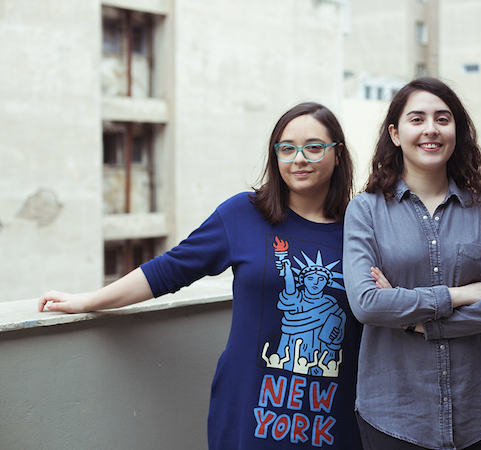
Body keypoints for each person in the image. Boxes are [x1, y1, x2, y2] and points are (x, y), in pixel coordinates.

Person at [38, 102, 364, 449]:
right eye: (287, 148)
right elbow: (170, 269)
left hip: (334, 417)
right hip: (249, 409)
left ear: (337, 154)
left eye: (313, 147)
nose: (299, 159)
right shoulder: (244, 214)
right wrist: (88, 300)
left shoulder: (361, 228)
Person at [343, 77, 481, 450]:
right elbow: (367, 304)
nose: (431, 129)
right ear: (395, 134)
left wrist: (415, 323)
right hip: (393, 413)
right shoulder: (365, 210)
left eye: (442, 118)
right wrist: (461, 294)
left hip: (472, 408)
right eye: (417, 119)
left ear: (457, 131)